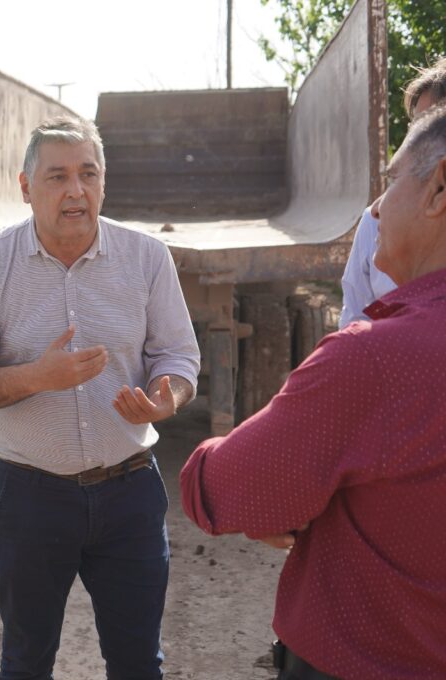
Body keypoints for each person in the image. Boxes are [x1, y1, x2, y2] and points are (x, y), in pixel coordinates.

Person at [181, 105, 446, 680]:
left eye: (391, 181)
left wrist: (206, 461)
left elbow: (227, 487)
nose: (375, 208)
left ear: (438, 190)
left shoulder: (375, 357)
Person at [0, 116, 200, 679]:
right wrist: (37, 377)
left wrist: (165, 400)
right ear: (25, 187)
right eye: (57, 176)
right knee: (27, 661)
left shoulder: (147, 258)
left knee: (138, 663)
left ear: (104, 183)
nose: (75, 190)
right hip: (30, 499)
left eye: (88, 174)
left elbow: (179, 358)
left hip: (129, 490)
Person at [339, 56, 446, 327]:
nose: (423, 137)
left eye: (436, 125)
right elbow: (354, 321)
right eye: (418, 125)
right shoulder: (376, 224)